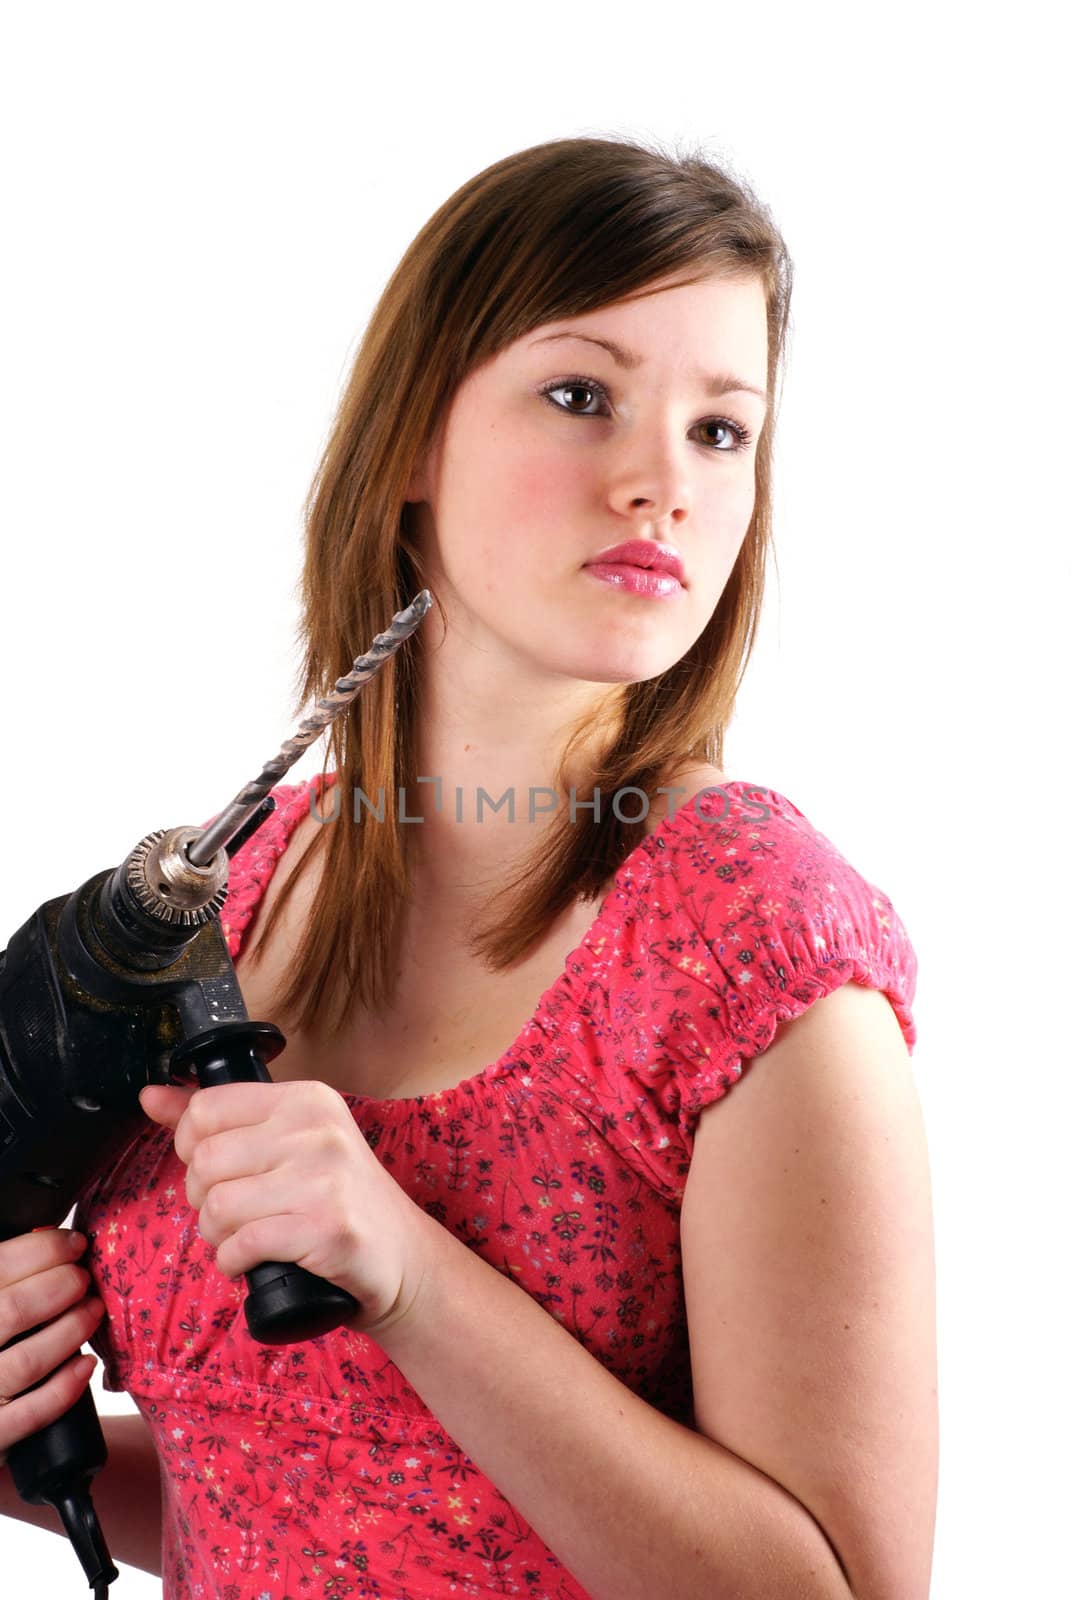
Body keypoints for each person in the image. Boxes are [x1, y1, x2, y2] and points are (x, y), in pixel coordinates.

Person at [0, 134, 938, 1599]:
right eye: (583, 397)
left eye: (719, 430)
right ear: (414, 443)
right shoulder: (238, 900)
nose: (660, 485)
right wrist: (24, 1453)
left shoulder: (748, 932)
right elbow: (329, 1499)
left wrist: (416, 1276)